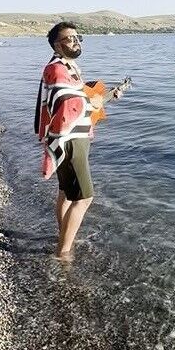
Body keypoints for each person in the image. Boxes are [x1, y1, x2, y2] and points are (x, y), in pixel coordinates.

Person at [35, 22, 123, 261]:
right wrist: (91, 102)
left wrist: (104, 98)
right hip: (70, 138)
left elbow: (76, 98)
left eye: (77, 37)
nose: (76, 41)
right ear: (56, 44)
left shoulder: (68, 67)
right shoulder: (56, 69)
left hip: (68, 136)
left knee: (66, 191)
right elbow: (65, 102)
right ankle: (63, 253)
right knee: (84, 198)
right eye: (69, 38)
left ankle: (63, 235)